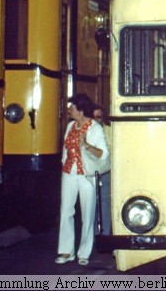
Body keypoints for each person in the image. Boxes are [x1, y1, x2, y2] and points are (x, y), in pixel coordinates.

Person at [55, 93, 109, 266]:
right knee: (66, 211)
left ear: (81, 110)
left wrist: (86, 145)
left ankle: (84, 252)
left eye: (72, 107)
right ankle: (66, 251)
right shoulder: (70, 126)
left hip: (86, 174)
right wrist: (64, 163)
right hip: (69, 172)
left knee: (87, 213)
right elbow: (65, 148)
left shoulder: (95, 128)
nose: (69, 110)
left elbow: (103, 154)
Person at [93, 105, 112, 236]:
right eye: (94, 117)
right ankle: (93, 236)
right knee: (91, 205)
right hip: (90, 172)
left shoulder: (110, 131)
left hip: (105, 171)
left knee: (105, 204)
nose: (96, 119)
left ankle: (104, 235)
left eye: (99, 116)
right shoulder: (88, 131)